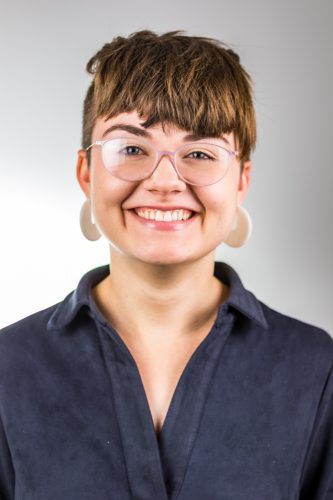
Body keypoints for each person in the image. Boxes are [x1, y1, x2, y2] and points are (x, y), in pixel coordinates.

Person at [0, 30, 332, 500]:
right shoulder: (9, 365)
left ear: (241, 181)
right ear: (86, 174)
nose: (164, 182)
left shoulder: (315, 368)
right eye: (132, 149)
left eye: (199, 154)